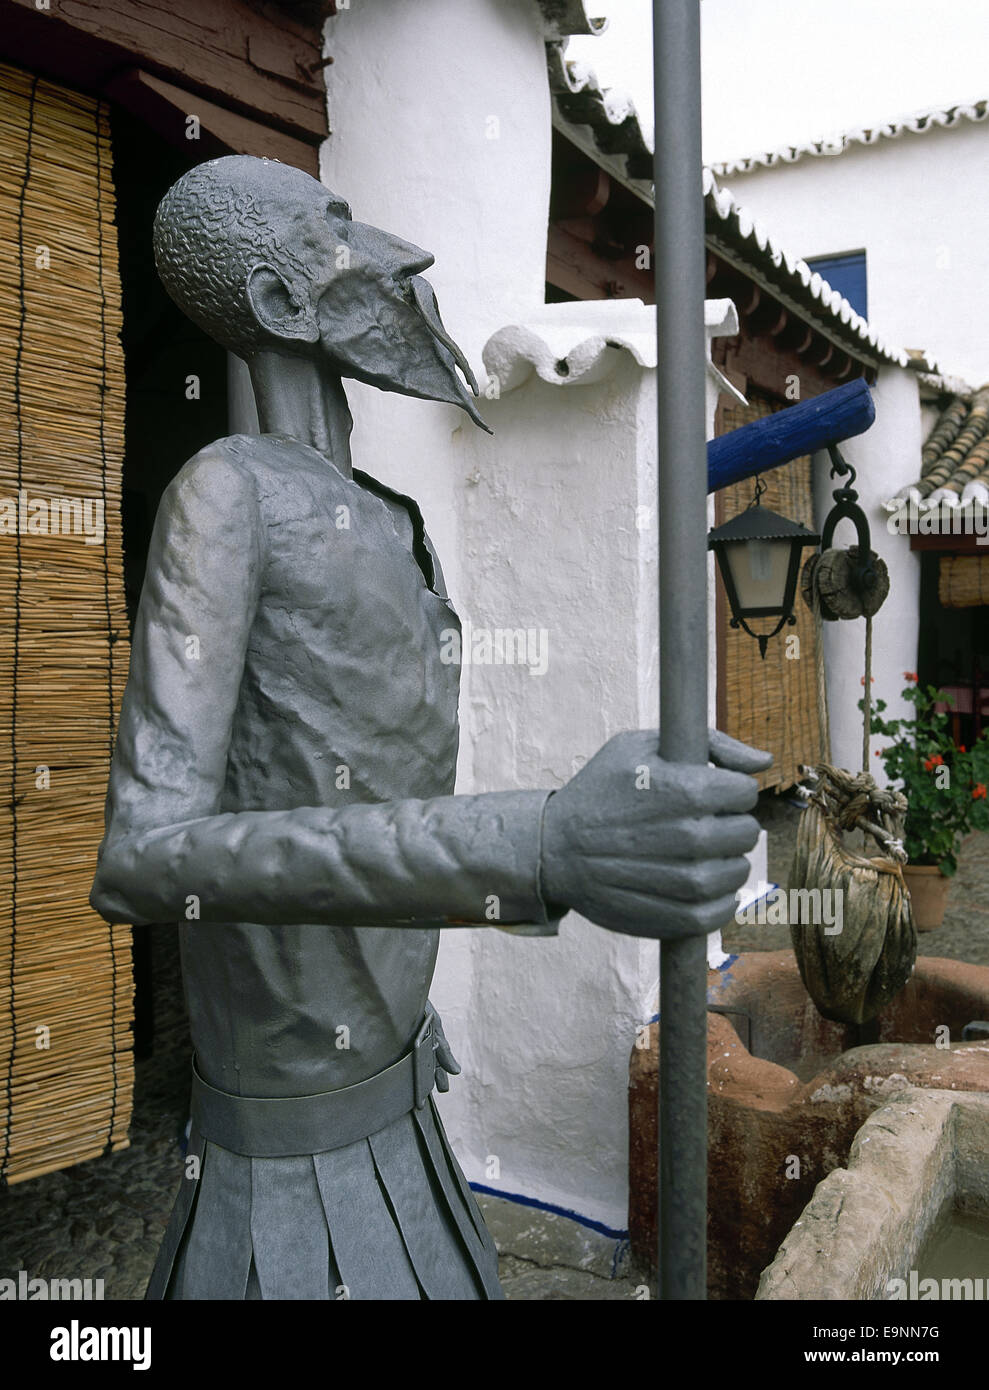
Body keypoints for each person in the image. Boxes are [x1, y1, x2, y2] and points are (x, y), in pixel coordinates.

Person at [90, 156, 769, 1300]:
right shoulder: (228, 489)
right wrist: (538, 845)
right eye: (342, 228)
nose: (405, 258)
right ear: (275, 304)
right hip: (285, 1178)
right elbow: (143, 856)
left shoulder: (388, 515)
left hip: (403, 1115)